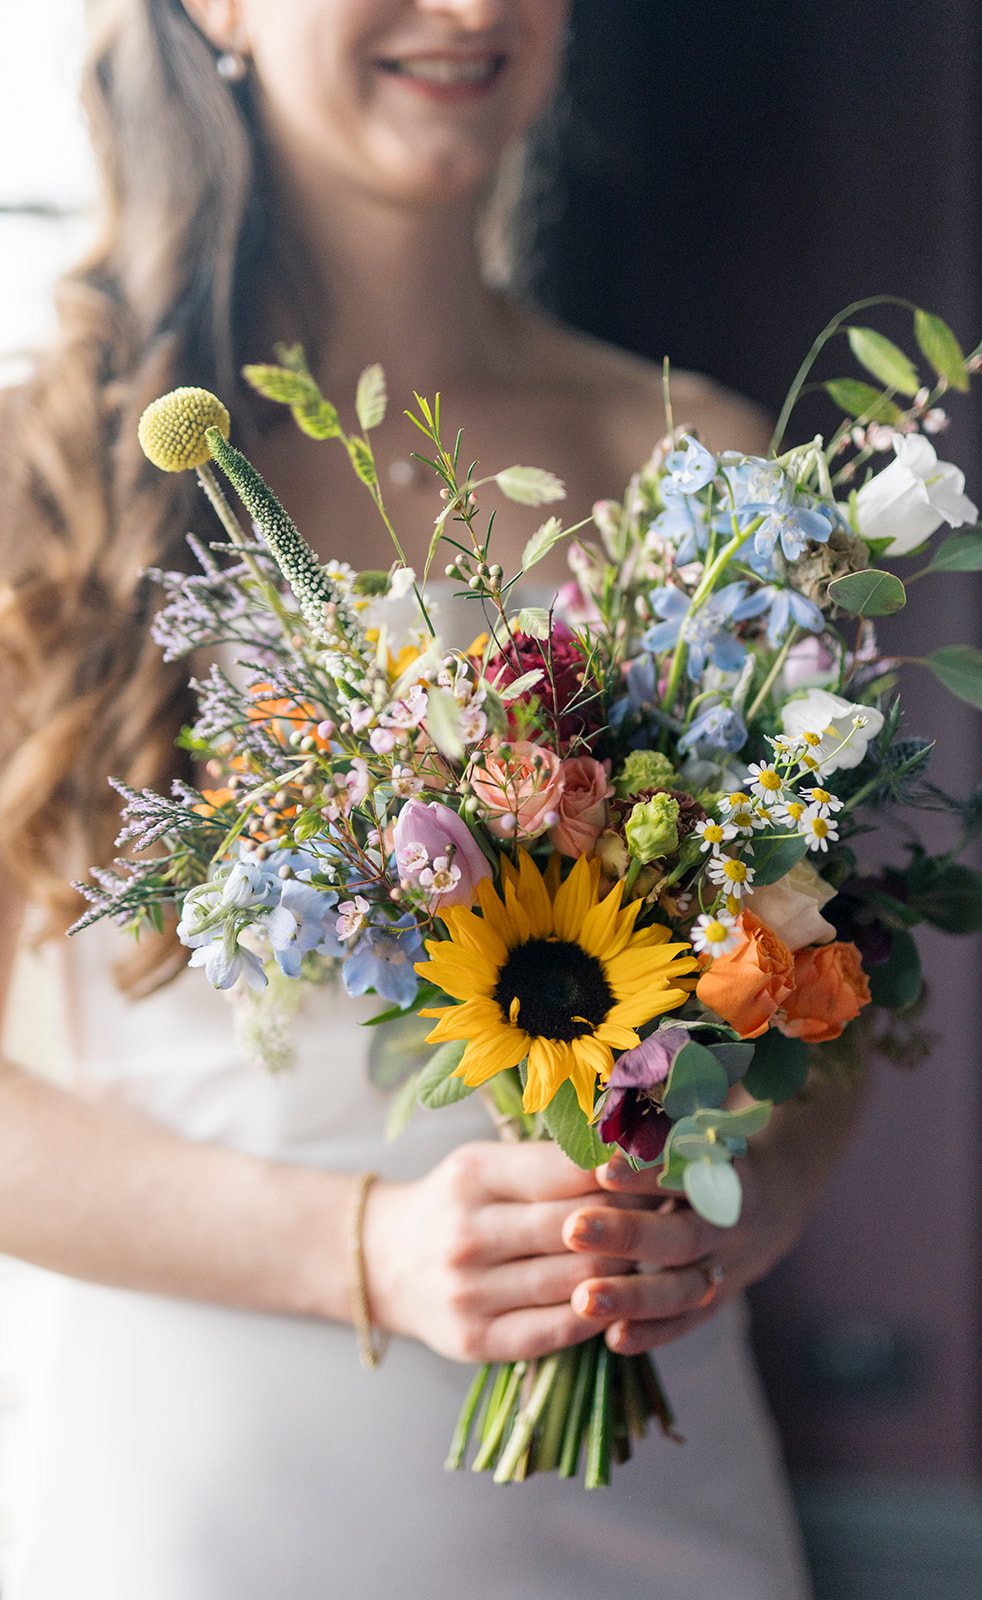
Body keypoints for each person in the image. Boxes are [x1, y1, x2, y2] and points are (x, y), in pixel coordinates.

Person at [0, 2, 867, 1596]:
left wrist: (746, 1211)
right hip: (203, 1495)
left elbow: (828, 985)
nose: (469, 9)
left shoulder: (700, 462)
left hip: (643, 1482)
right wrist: (368, 1250)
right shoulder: (32, 475)